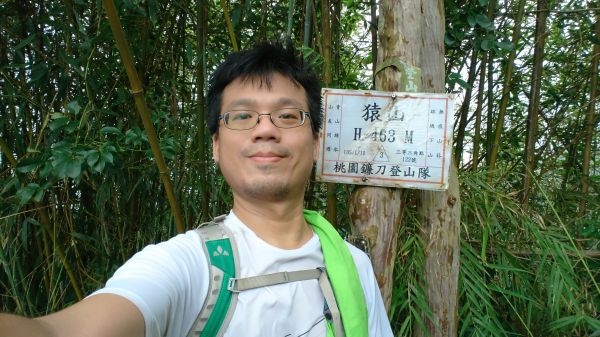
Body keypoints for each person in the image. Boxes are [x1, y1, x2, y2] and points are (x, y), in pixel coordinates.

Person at [0, 40, 393, 337]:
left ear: (317, 142)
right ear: (217, 147)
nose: (266, 129)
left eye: (287, 115)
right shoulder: (190, 266)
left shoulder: (353, 266)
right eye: (243, 116)